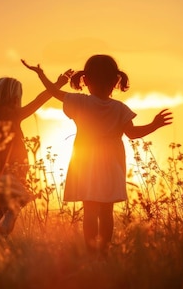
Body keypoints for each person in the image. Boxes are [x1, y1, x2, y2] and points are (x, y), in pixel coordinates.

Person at [23, 55, 172, 256]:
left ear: (86, 81)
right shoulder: (120, 108)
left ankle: (92, 253)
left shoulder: (79, 102)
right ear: (115, 81)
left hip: (84, 162)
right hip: (111, 165)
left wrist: (41, 74)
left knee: (90, 211)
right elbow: (133, 134)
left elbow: (53, 92)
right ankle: (103, 253)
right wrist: (155, 124)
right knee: (106, 212)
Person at [0, 49, 70, 236]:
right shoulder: (17, 115)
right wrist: (59, 83)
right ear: (17, 98)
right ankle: (8, 220)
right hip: (10, 177)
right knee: (19, 202)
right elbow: (41, 98)